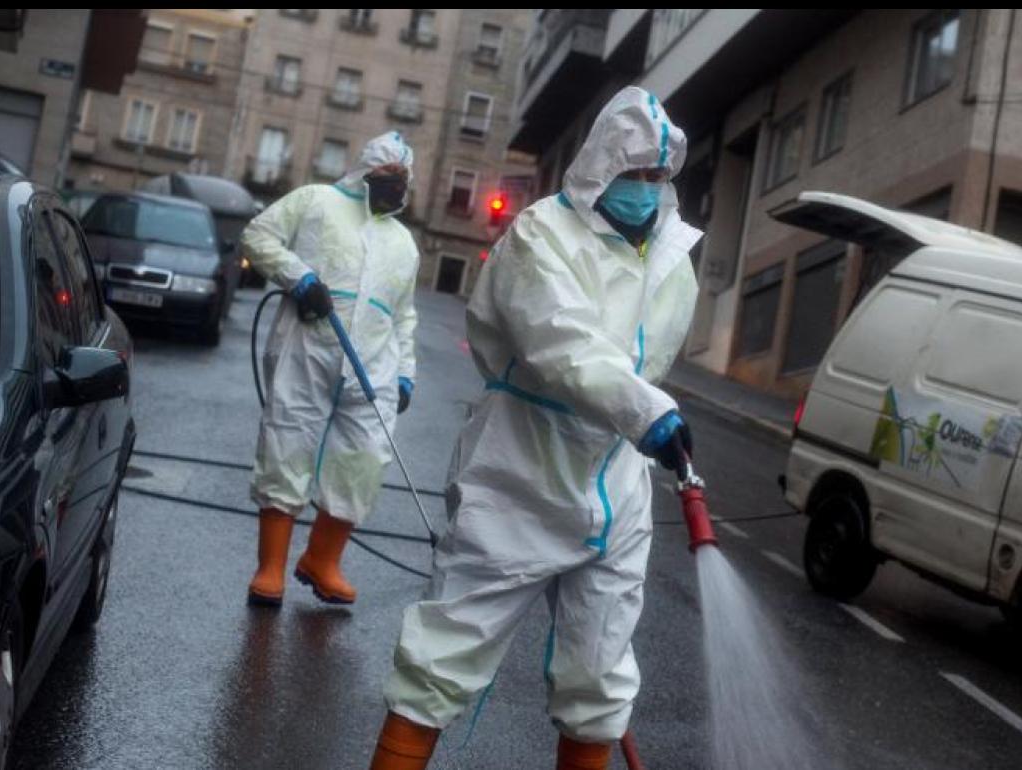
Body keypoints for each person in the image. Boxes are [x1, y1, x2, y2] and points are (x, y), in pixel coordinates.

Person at [369, 87, 701, 770]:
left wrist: (644, 417)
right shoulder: (541, 234)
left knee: (602, 679)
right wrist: (649, 411)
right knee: (443, 654)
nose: (644, 189)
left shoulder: (672, 256)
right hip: (519, 468)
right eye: (632, 171)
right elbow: (562, 344)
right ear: (601, 164)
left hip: (614, 481)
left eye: (655, 176)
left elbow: (650, 354)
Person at [241, 131, 420, 607]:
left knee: (363, 462)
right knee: (287, 445)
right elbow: (258, 235)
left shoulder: (404, 243)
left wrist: (406, 371)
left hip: (373, 367)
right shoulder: (316, 201)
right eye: (387, 174)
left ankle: (321, 561)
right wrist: (298, 277)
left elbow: (403, 315)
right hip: (307, 347)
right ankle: (271, 568)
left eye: (403, 178)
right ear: (365, 170)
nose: (396, 184)